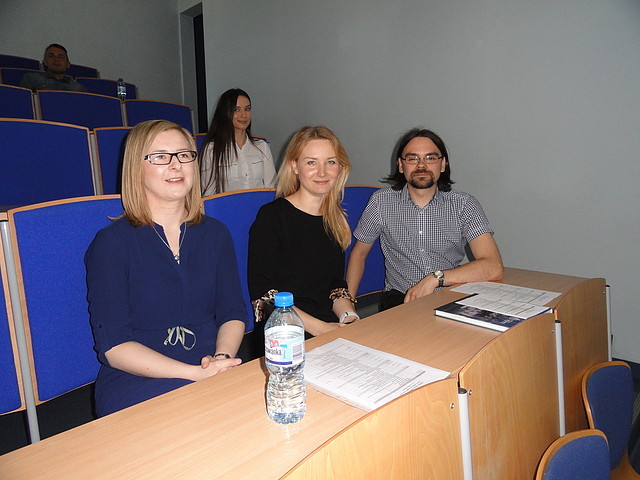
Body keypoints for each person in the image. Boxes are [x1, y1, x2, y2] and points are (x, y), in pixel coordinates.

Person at [85, 120, 247, 417]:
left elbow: (233, 313)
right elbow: (114, 347)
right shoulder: (112, 243)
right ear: (136, 168)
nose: (176, 165)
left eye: (184, 155)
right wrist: (193, 374)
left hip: (210, 363)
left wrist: (221, 359)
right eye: (160, 156)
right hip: (137, 378)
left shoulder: (216, 233)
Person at [346, 128, 503, 311]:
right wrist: (349, 306)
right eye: (412, 159)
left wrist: (436, 278)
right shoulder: (381, 202)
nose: (421, 165)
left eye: (430, 158)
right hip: (401, 299)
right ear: (401, 165)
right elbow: (359, 255)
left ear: (443, 165)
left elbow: (493, 266)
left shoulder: (464, 204)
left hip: (450, 295)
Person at [244, 126, 358, 359]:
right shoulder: (272, 217)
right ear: (295, 166)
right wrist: (321, 329)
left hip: (325, 328)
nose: (322, 172)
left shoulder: (335, 218)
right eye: (311, 162)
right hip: (283, 334)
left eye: (330, 162)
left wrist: (349, 317)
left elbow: (335, 287)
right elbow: (264, 296)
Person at [200, 88, 276, 195]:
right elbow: (208, 195)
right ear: (225, 113)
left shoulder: (262, 146)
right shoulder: (212, 150)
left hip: (262, 205)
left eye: (247, 109)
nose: (244, 115)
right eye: (236, 109)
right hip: (228, 205)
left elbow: (272, 188)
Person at [19, 44, 86, 92]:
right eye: (51, 56)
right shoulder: (31, 79)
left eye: (61, 57)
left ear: (68, 64)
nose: (56, 60)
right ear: (45, 62)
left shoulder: (77, 88)